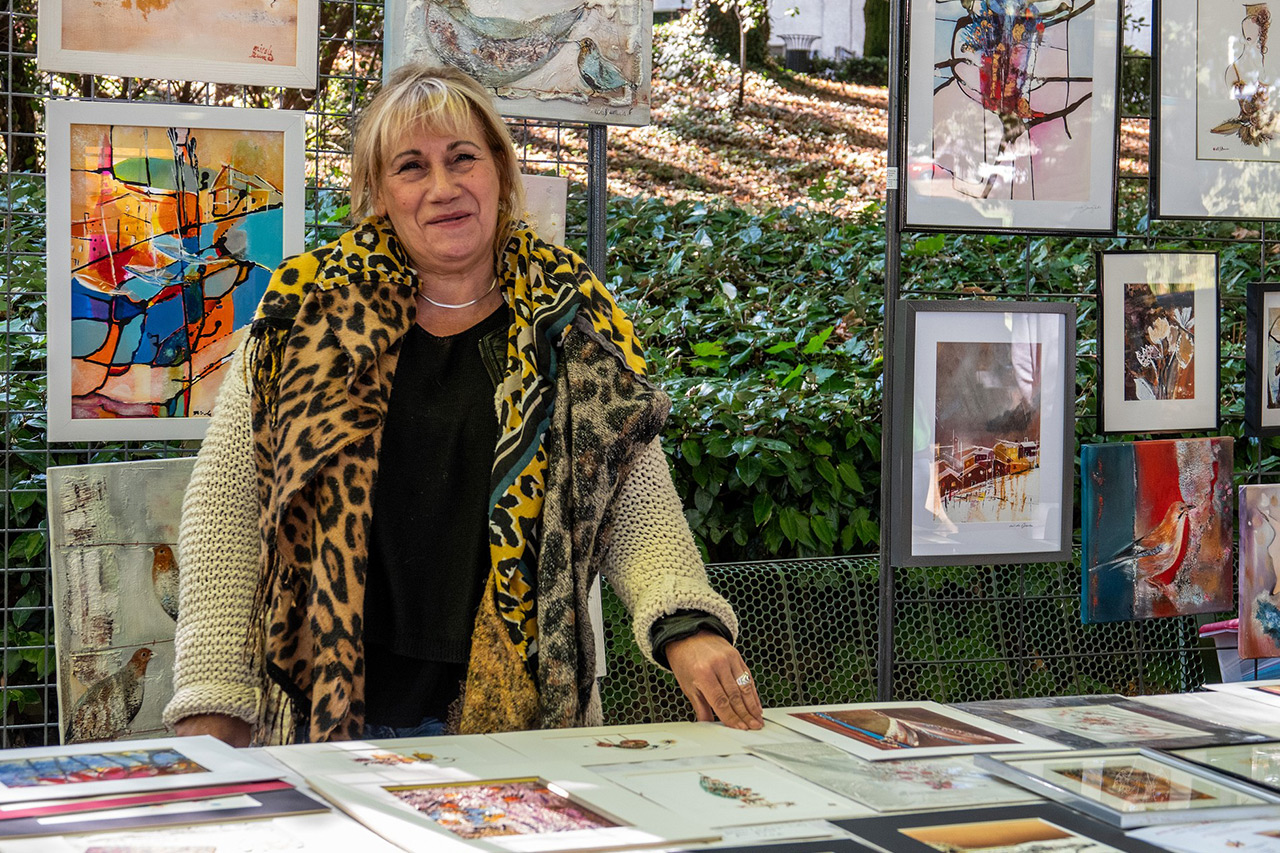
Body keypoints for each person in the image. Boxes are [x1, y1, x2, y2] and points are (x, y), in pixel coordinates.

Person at [162, 63, 764, 746]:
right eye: (411, 167)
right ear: (378, 193)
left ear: (501, 172)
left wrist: (686, 622)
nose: (442, 188)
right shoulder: (306, 313)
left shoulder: (570, 317)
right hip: (328, 722)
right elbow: (227, 506)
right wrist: (213, 695)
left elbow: (633, 493)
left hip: (525, 724)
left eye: (462, 158)